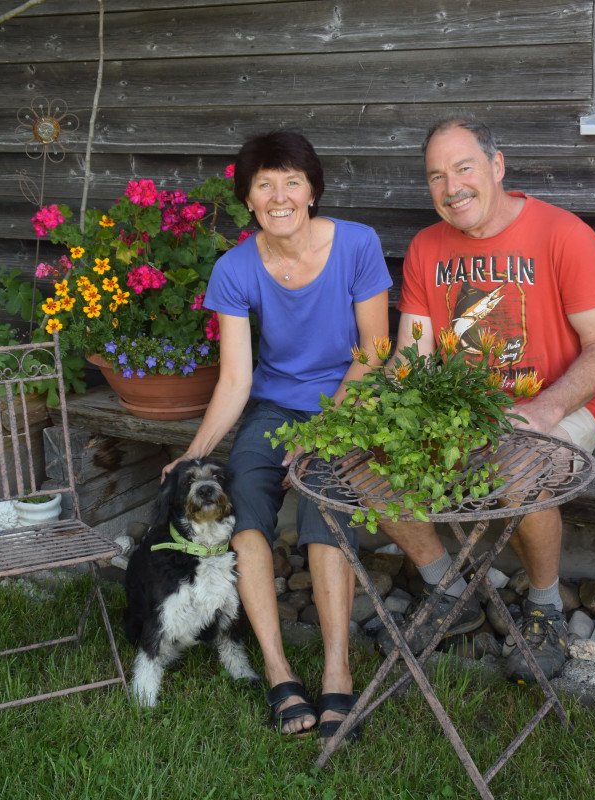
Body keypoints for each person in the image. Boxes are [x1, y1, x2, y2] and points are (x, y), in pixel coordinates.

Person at [378, 117, 595, 682]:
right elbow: (411, 357)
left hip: (559, 408)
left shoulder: (563, 234)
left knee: (520, 466)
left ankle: (544, 611)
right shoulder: (426, 247)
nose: (451, 187)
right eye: (436, 176)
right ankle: (449, 591)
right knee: (364, 460)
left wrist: (546, 408)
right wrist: (367, 415)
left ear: (496, 165)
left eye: (464, 168)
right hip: (460, 412)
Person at [162, 131, 392, 738]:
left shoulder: (358, 245)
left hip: (349, 406)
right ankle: (279, 671)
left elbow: (374, 352)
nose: (280, 195)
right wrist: (194, 453)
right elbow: (237, 377)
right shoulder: (235, 267)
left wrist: (328, 429)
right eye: (264, 184)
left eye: (292, 181)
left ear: (312, 189)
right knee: (245, 511)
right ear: (249, 199)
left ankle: (338, 673)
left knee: (326, 509)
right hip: (273, 407)